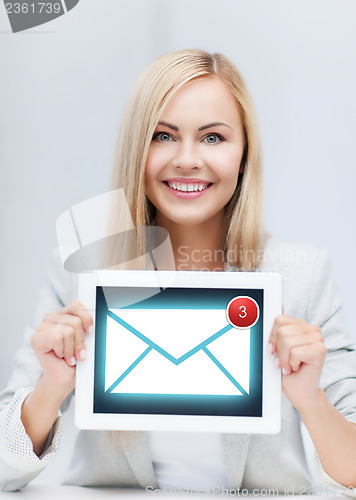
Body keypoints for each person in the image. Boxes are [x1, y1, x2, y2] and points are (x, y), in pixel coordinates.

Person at [1, 49, 356, 494]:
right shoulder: (80, 270)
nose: (187, 159)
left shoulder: (302, 274)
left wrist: (310, 400)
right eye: (163, 135)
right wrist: (49, 388)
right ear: (138, 150)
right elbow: (4, 468)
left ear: (244, 154)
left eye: (213, 138)